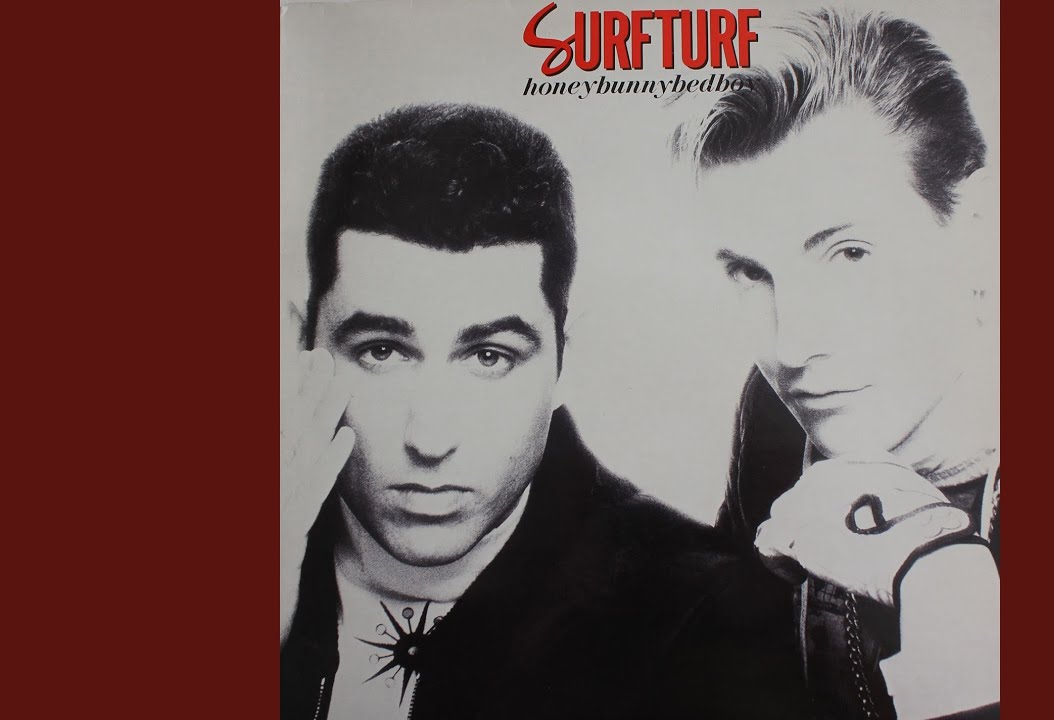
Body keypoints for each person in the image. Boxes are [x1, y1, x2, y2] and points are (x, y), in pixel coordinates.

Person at [280, 103, 811, 720]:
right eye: (382, 351)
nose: (429, 439)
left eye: (489, 357)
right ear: (300, 346)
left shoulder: (707, 622)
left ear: (564, 361)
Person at [671, 8, 1000, 720]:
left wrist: (948, 590)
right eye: (753, 273)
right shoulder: (779, 415)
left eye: (849, 254)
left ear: (975, 232)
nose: (791, 347)